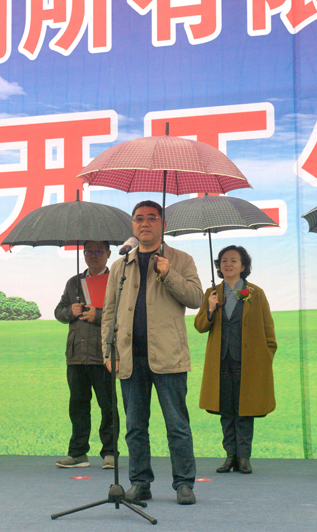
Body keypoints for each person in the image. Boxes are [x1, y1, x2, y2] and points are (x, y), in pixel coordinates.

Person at [102, 200, 203, 506]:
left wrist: (168, 273)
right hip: (129, 357)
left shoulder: (181, 259)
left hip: (168, 356)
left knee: (177, 425)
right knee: (135, 427)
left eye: (151, 218)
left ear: (163, 224)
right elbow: (109, 312)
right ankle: (139, 482)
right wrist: (108, 350)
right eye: (139, 219)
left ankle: (184, 483)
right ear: (133, 225)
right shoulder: (121, 265)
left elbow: (196, 298)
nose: (144, 223)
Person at [194, 245, 277, 474]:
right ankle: (230, 455)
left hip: (248, 363)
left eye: (233, 260)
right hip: (221, 363)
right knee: (226, 411)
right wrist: (210, 309)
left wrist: (266, 357)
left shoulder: (253, 292)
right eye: (224, 260)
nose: (228, 264)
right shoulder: (212, 293)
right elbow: (200, 326)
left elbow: (268, 329)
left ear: (243, 266)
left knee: (245, 411)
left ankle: (243, 457)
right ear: (219, 266)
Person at [55, 241, 118, 469]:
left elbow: (123, 315)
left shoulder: (116, 281)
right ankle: (78, 453)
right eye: (89, 251)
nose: (93, 256)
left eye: (98, 251)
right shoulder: (74, 282)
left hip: (103, 355)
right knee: (78, 406)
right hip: (76, 355)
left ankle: (110, 453)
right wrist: (69, 312)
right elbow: (59, 311)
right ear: (83, 254)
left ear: (108, 254)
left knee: (108, 406)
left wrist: (98, 315)